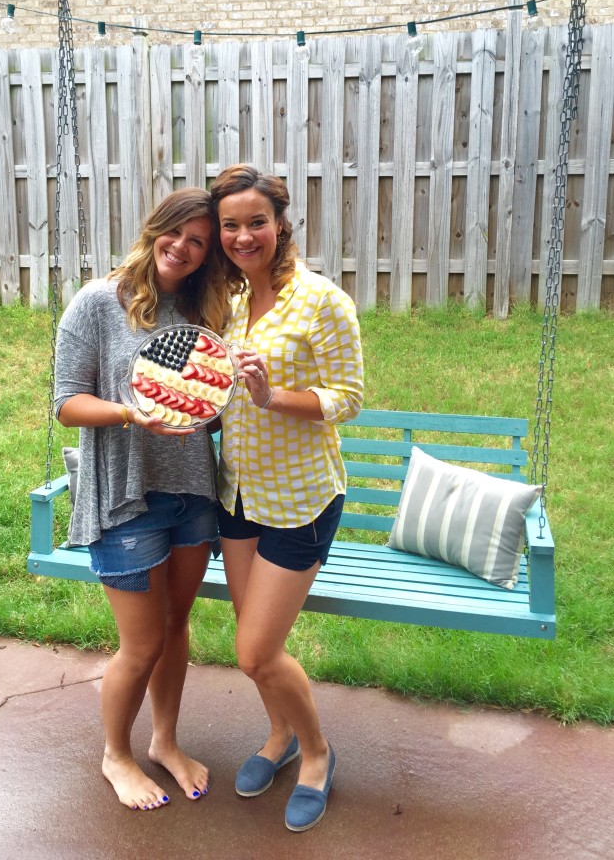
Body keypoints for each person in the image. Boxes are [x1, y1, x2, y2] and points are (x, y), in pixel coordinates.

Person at [54, 187, 230, 813]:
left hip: (192, 495)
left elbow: (207, 411)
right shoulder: (100, 302)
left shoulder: (201, 310)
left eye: (198, 242)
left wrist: (213, 401)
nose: (181, 248)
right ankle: (116, 755)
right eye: (175, 233)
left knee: (177, 626)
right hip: (128, 497)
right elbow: (67, 404)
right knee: (142, 643)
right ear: (154, 228)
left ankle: (165, 741)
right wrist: (131, 414)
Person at [209, 164, 364, 833]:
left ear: (280, 223)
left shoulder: (322, 301)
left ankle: (317, 754)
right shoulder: (231, 300)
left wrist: (274, 397)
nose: (244, 235)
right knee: (255, 643)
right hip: (236, 493)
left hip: (300, 499)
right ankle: (279, 736)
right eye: (231, 225)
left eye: (256, 222)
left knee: (255, 652)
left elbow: (346, 399)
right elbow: (222, 392)